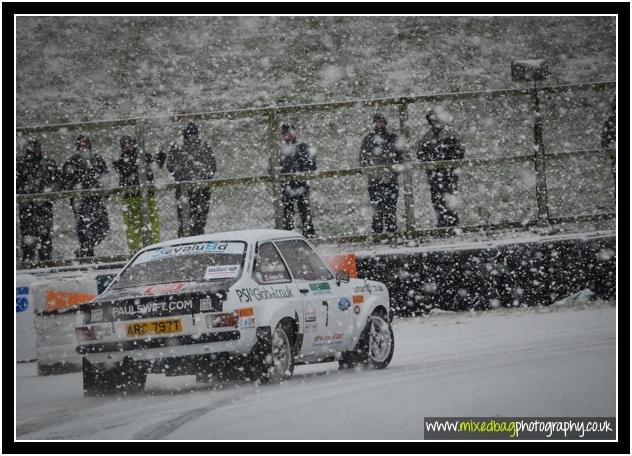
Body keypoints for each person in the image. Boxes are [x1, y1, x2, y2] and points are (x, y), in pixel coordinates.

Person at [112, 135, 163, 253]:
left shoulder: (144, 157)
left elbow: (156, 165)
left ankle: (153, 248)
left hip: (146, 196)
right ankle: (135, 250)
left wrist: (160, 157)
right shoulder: (121, 161)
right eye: (124, 145)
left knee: (151, 223)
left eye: (129, 144)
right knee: (132, 226)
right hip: (130, 198)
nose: (127, 147)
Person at [61, 135, 110, 257]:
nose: (84, 146)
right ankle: (87, 251)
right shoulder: (72, 161)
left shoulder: (97, 159)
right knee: (83, 227)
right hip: (80, 201)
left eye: (86, 144)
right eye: (82, 144)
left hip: (96, 199)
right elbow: (66, 180)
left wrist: (103, 190)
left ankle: (87, 248)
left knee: (102, 226)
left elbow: (105, 176)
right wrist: (76, 191)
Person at [415, 108, 465, 228]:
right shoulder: (427, 137)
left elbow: (459, 152)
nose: (434, 121)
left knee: (449, 198)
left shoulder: (450, 134)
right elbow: (420, 154)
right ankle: (442, 223)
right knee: (437, 199)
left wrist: (446, 163)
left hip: (448, 173)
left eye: (435, 118)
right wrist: (431, 164)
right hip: (435, 174)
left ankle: (452, 224)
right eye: (431, 119)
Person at [166, 122, 217, 237]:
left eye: (196, 134)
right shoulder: (177, 147)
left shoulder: (204, 146)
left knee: (200, 219)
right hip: (185, 189)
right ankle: (185, 240)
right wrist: (184, 174)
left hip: (202, 189)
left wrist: (203, 175)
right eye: (193, 134)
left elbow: (213, 166)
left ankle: (198, 238)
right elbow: (171, 166)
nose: (195, 136)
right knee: (185, 219)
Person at [16, 139, 61, 262]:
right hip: (27, 206)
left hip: (44, 206)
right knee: (28, 238)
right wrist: (25, 192)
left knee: (45, 237)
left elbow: (57, 181)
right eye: (34, 147)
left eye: (38, 146)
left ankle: (45, 262)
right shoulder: (20, 163)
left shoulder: (48, 163)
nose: (36, 149)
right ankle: (28, 263)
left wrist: (49, 193)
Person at [359, 112, 404, 234]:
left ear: (385, 123)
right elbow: (363, 160)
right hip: (375, 181)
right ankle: (378, 232)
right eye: (378, 121)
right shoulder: (368, 139)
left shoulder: (393, 138)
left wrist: (393, 173)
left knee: (391, 207)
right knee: (376, 208)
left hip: (390, 180)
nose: (380, 124)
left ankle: (391, 231)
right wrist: (373, 174)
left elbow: (400, 158)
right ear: (374, 123)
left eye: (382, 121)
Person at [276, 122, 317, 237]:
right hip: (288, 186)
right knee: (289, 214)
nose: (288, 135)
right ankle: (289, 236)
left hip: (300, 185)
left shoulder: (302, 147)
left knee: (304, 212)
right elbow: (273, 167)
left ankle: (308, 235)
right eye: (285, 133)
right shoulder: (280, 150)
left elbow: (312, 164)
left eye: (289, 132)